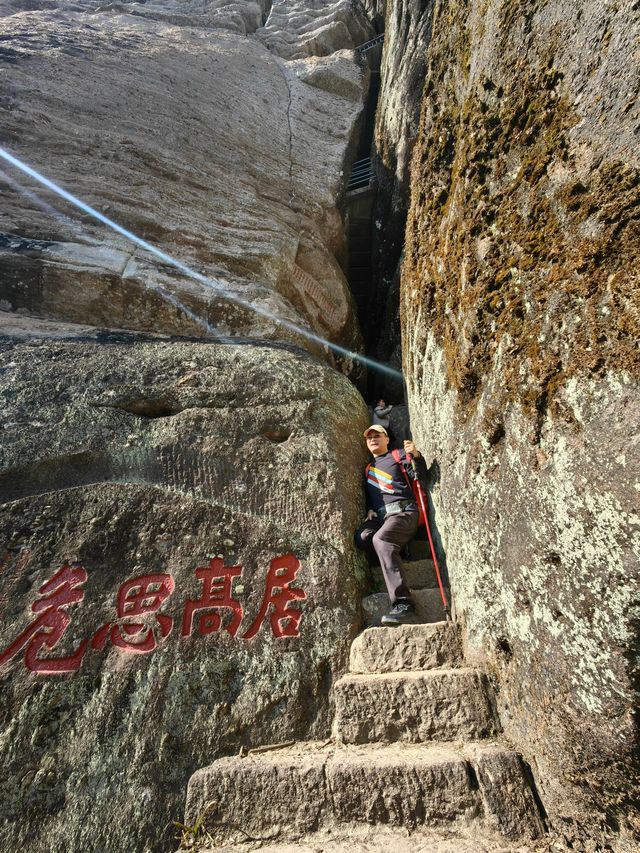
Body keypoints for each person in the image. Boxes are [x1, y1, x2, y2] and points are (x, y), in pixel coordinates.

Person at [354, 425, 429, 626]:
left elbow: (421, 478)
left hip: (404, 512)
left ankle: (404, 604)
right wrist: (370, 509)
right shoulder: (368, 468)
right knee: (362, 538)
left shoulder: (399, 455)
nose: (372, 439)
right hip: (382, 517)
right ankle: (398, 549)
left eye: (377, 435)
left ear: (387, 439)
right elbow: (373, 495)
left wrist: (417, 456)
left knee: (382, 539)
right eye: (369, 437)